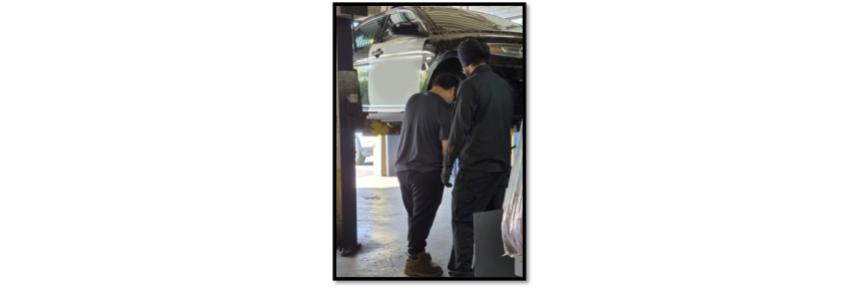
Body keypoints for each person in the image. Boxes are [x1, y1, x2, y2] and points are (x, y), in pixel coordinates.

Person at [442, 39, 516, 277]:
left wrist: (446, 167)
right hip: (502, 169)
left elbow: (458, 132)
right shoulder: (505, 87)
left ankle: (462, 275)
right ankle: (494, 273)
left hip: (474, 169)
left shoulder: (469, 85)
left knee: (463, 221)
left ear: (466, 64)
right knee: (492, 223)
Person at [395, 73, 461, 277]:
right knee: (422, 217)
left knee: (415, 215)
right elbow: (446, 147)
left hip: (403, 168)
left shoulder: (413, 99)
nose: (453, 98)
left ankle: (419, 252)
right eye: (455, 95)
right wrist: (450, 169)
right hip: (427, 171)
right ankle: (414, 260)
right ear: (452, 90)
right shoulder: (443, 108)